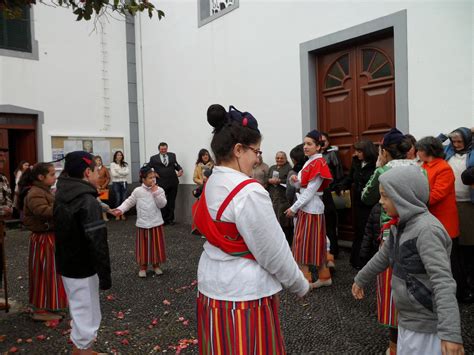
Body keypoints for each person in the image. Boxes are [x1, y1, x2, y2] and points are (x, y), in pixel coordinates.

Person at [193, 104, 310, 354]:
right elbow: (272, 251)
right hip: (243, 291)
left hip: (211, 283)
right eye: (256, 151)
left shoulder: (212, 180)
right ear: (238, 150)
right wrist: (299, 285)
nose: (258, 158)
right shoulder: (249, 191)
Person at [352, 165, 464, 355]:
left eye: (386, 196)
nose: (380, 201)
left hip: (427, 327)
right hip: (407, 319)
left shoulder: (427, 231)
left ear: (404, 196)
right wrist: (360, 278)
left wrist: (450, 333)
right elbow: (382, 257)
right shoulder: (399, 226)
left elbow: (442, 281)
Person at [361, 128, 415, 354]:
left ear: (384, 150)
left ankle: (394, 344)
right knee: (413, 285)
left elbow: (366, 197)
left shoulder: (383, 170)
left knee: (392, 289)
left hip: (390, 235)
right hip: (415, 235)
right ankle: (412, 338)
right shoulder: (418, 169)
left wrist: (377, 167)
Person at [54, 151, 112, 354]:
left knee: (79, 308)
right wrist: (105, 275)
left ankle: (82, 349)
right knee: (87, 312)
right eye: (97, 170)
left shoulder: (63, 193)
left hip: (67, 263)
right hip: (83, 266)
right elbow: (97, 242)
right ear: (88, 172)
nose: (99, 174)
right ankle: (84, 350)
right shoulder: (86, 201)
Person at [285, 130, 334, 288]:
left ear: (318, 147)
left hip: (310, 208)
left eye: (309, 144)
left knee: (303, 243)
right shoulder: (311, 162)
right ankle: (324, 276)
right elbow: (302, 185)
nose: (305, 147)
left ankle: (305, 280)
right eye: (305, 143)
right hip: (309, 208)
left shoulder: (318, 163)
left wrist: (293, 208)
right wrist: (295, 181)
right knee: (313, 243)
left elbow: (310, 192)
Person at [19, 163, 68, 321]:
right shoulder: (35, 193)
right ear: (41, 177)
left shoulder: (43, 190)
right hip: (43, 239)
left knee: (50, 273)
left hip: (48, 237)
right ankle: (40, 310)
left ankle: (47, 305)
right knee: (43, 273)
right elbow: (43, 211)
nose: (55, 177)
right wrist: (62, 205)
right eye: (52, 174)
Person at [112, 164, 167, 278]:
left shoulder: (159, 190)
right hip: (142, 224)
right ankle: (143, 267)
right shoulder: (137, 191)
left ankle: (156, 265)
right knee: (143, 247)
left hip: (155, 222)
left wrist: (155, 192)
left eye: (154, 177)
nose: (153, 180)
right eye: (150, 178)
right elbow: (129, 202)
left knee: (156, 245)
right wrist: (120, 209)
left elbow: (162, 204)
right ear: (143, 179)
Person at [440, 127, 474, 303]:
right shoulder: (447, 150)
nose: (456, 145)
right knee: (455, 245)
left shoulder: (473, 151)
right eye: (454, 142)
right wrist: (446, 135)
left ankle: (469, 284)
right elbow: (434, 144)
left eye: (460, 141)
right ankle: (459, 283)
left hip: (468, 204)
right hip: (449, 203)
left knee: (469, 244)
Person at [338, 140, 377, 269]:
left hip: (371, 202)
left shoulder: (376, 164)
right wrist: (343, 186)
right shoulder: (356, 162)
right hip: (358, 202)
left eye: (359, 152)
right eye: (356, 151)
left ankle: (370, 261)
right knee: (359, 230)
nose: (356, 154)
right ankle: (357, 260)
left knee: (369, 230)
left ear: (367, 152)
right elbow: (350, 178)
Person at [320, 132, 343, 259]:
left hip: (330, 190)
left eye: (324, 141)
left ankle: (333, 250)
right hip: (319, 192)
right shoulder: (315, 156)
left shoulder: (332, 154)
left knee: (331, 223)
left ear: (328, 142)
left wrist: (338, 185)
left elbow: (338, 171)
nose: (322, 144)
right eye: (320, 141)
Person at [148, 143, 183, 225]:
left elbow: (176, 165)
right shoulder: (153, 158)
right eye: (162, 149)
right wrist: (153, 173)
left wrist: (180, 170)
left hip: (173, 182)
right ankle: (162, 220)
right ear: (159, 149)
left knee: (171, 202)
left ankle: (170, 219)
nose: (163, 150)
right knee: (162, 202)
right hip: (161, 183)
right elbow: (147, 167)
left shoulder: (172, 155)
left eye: (165, 149)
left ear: (167, 148)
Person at [268, 151, 293, 245]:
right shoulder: (272, 168)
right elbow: (267, 178)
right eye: (277, 158)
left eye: (281, 158)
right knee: (274, 219)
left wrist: (280, 181)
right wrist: (269, 180)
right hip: (273, 197)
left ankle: (287, 243)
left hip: (284, 198)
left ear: (286, 159)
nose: (279, 160)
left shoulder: (288, 168)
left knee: (284, 220)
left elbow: (290, 182)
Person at [0, 149, 12, 311]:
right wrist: (4, 210)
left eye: (3, 159)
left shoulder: (3, 178)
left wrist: (8, 209)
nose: (2, 161)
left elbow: (9, 200)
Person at [110, 151, 129, 221]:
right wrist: (122, 173)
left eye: (121, 155)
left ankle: (122, 214)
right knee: (117, 199)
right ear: (115, 156)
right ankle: (117, 214)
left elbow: (127, 173)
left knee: (124, 199)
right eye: (118, 155)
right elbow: (114, 174)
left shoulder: (125, 164)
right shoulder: (112, 164)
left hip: (124, 183)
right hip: (116, 183)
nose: (119, 156)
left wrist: (118, 171)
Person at [94, 156, 111, 221]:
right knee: (96, 202)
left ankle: (105, 217)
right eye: (97, 160)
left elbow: (108, 178)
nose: (99, 161)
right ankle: (98, 217)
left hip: (103, 188)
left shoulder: (104, 168)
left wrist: (104, 185)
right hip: (95, 188)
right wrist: (96, 186)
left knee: (104, 203)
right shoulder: (92, 169)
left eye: (99, 160)